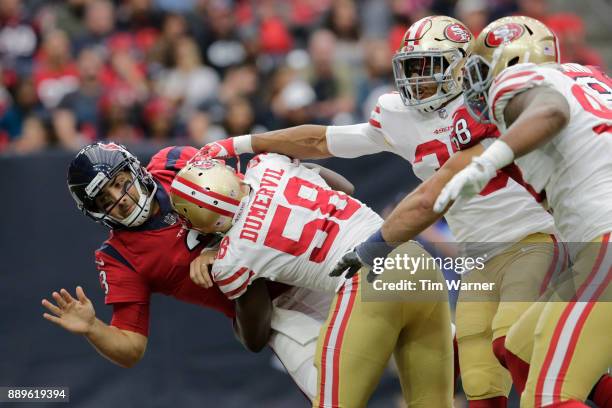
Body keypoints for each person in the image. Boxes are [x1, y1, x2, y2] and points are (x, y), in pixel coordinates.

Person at [200, 15, 559, 408]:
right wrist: (242, 142)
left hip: (536, 237)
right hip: (479, 256)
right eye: (412, 66)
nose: (417, 78)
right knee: (477, 378)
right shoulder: (398, 114)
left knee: (521, 352)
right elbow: (322, 141)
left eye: (430, 66)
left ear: (461, 66)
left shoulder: (491, 96)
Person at [41, 142, 336, 399]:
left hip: (303, 255)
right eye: (105, 200)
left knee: (379, 305)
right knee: (335, 394)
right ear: (96, 212)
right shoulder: (119, 256)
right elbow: (131, 348)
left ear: (135, 169)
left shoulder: (173, 163)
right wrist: (94, 328)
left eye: (120, 182)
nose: (121, 199)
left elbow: (251, 196)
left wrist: (217, 249)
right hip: (277, 312)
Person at [170, 152, 454, 407]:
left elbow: (255, 336)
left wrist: (219, 257)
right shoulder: (267, 164)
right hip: (415, 259)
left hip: (368, 278)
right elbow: (345, 187)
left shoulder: (233, 258)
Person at [432, 16, 612, 408]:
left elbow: (551, 112)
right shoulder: (589, 77)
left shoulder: (519, 85)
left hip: (606, 241)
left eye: (481, 69)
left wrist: (484, 165)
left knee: (549, 397)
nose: (475, 86)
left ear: (510, 61)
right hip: (595, 243)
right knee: (520, 346)